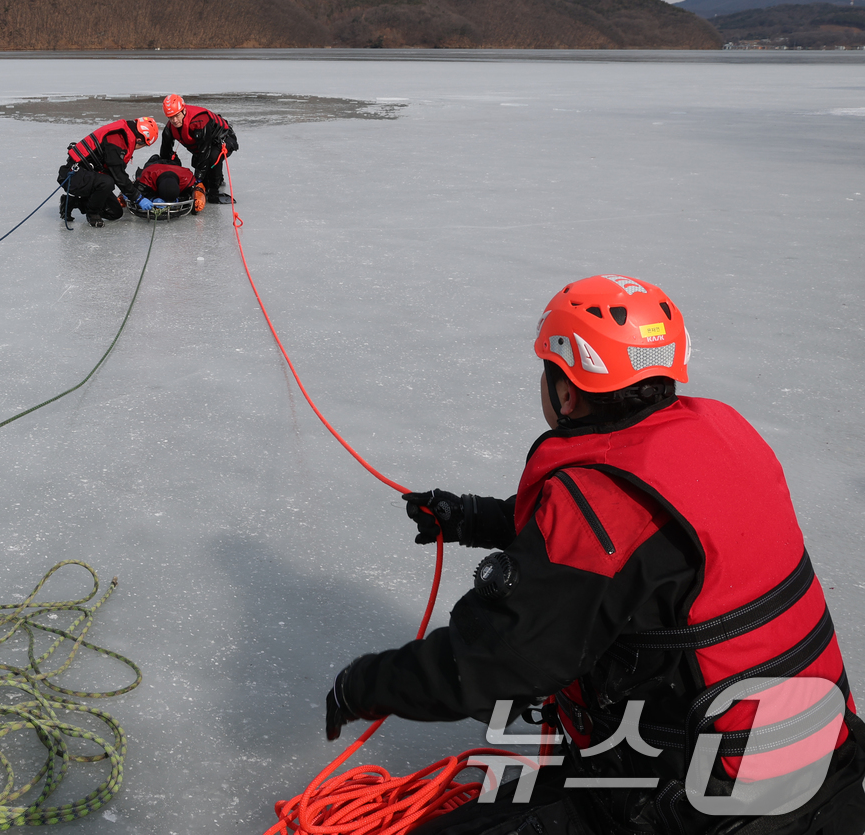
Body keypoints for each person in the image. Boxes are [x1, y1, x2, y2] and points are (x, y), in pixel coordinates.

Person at [324, 274, 865, 834]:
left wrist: (362, 685)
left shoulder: (601, 507)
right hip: (817, 766)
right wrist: (472, 517)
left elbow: (494, 658)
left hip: (697, 808)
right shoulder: (723, 434)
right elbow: (635, 544)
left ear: (567, 389)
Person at [57, 117, 158, 227]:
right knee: (107, 182)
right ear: (140, 140)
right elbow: (117, 174)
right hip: (74, 176)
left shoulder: (124, 138)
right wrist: (138, 198)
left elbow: (116, 172)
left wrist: (128, 191)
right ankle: (92, 214)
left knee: (115, 212)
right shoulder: (116, 140)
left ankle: (71, 202)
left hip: (91, 177)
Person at [160, 94, 238, 204]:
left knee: (212, 158)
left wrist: (198, 180)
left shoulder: (199, 121)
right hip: (203, 145)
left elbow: (204, 152)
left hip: (224, 139)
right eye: (170, 117)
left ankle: (214, 192)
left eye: (177, 115)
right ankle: (217, 179)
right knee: (198, 162)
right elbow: (165, 152)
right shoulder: (169, 129)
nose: (174, 120)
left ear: (183, 110)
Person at [134, 154, 205, 213]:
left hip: (174, 167)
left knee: (173, 160)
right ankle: (156, 158)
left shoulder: (187, 180)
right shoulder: (146, 177)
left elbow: (196, 188)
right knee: (152, 162)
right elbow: (133, 190)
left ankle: (166, 157)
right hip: (153, 166)